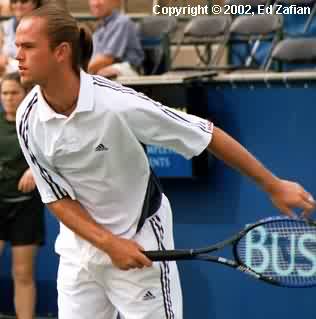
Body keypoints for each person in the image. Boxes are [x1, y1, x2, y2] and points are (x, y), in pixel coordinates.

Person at [14, 5, 315, 319]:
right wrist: (108, 244)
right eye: (17, 45)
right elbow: (57, 198)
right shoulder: (27, 117)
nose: (16, 54)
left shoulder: (117, 104)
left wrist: (273, 184)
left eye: (28, 47)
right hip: (81, 253)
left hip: (141, 240)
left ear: (61, 52)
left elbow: (206, 134)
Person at [0, 72, 45, 319]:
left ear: (25, 94)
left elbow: (51, 157)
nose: (8, 98)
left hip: (26, 209)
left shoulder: (37, 124)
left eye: (14, 93)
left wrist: (34, 170)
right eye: (4, 93)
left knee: (23, 274)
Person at [87, 0, 144, 78]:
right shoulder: (100, 28)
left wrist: (78, 72)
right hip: (104, 70)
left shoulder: (122, 22)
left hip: (129, 71)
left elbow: (106, 59)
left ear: (115, 1)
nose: (95, 3)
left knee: (102, 74)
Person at [1, 0, 42, 73]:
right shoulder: (4, 27)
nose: (18, 5)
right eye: (14, 1)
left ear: (35, 3)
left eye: (24, 1)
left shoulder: (43, 27)